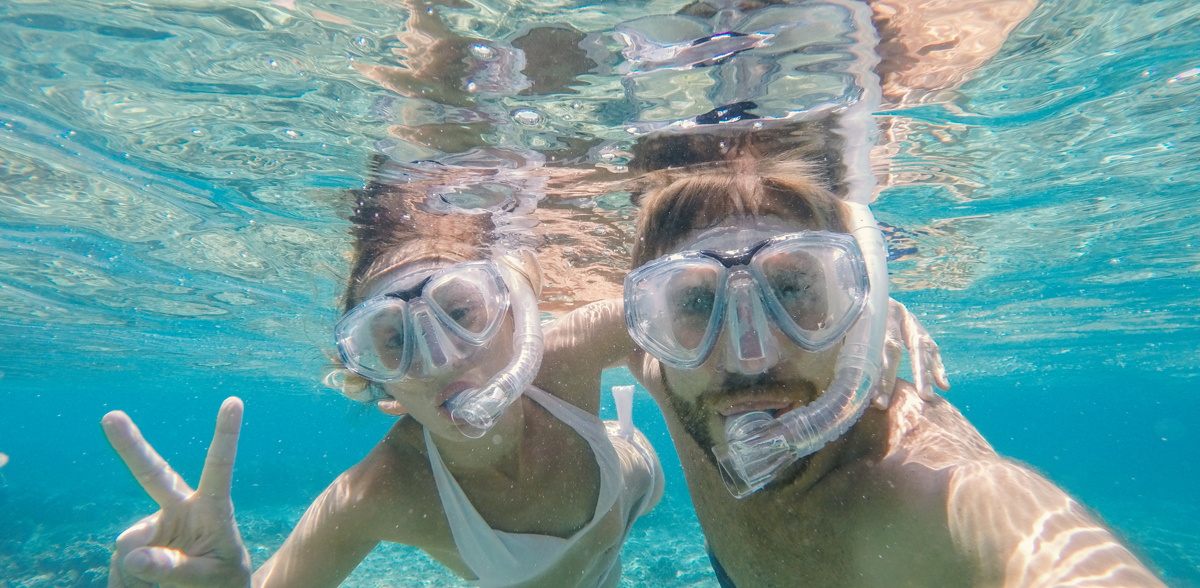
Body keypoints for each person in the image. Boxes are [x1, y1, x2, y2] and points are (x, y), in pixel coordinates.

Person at [543, 124, 1164, 586]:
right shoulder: (665, 365)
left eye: (793, 288)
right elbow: (541, 357)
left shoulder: (915, 494)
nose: (750, 356)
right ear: (648, 319)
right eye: (697, 302)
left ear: (858, 311)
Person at [101, 172, 663, 588]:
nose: (440, 358)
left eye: (460, 312)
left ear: (515, 317)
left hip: (635, 477)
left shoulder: (566, 357)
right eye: (392, 341)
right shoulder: (383, 492)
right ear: (377, 385)